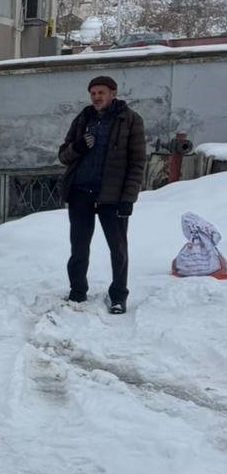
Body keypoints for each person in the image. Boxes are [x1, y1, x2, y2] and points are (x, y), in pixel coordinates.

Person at [58, 75, 146, 314]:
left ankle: (118, 296)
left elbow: (137, 163)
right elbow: (63, 154)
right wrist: (78, 147)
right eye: (93, 93)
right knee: (79, 247)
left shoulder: (130, 120)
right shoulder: (83, 118)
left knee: (118, 249)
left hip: (112, 196)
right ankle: (77, 292)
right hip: (80, 193)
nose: (96, 97)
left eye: (101, 93)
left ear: (113, 93)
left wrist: (128, 198)